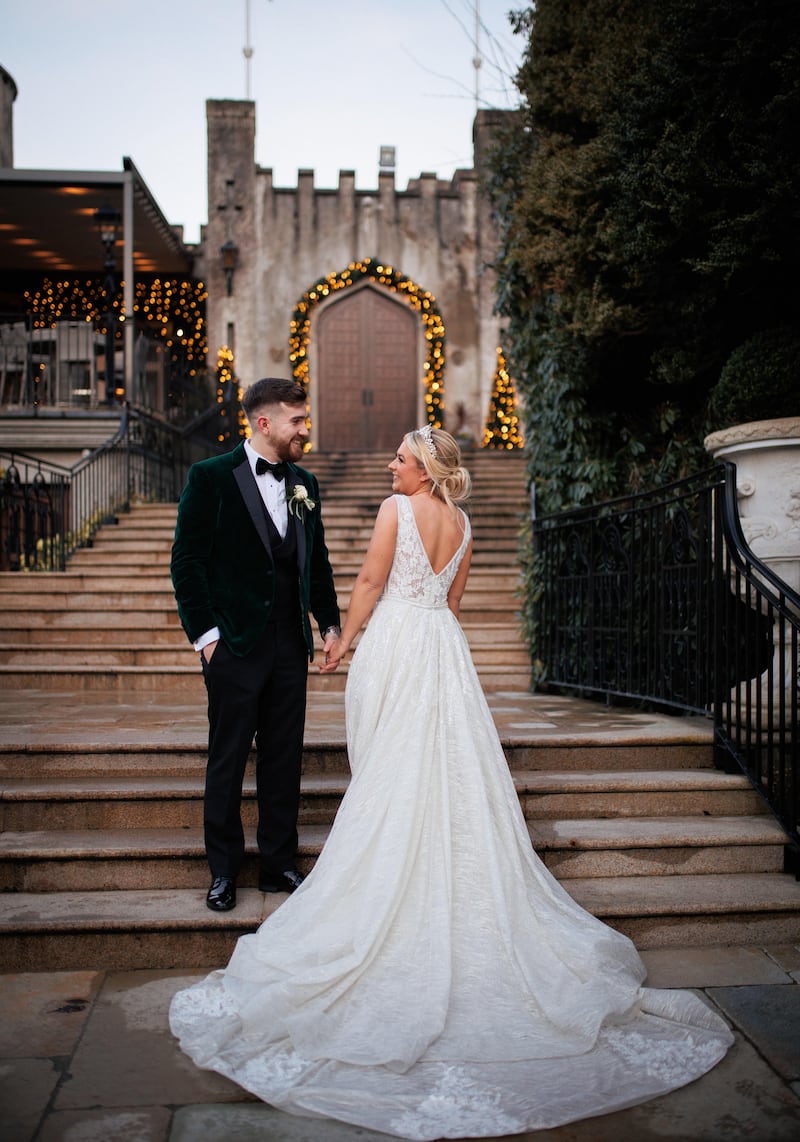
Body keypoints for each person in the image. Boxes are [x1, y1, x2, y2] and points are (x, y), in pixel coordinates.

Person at [170, 426, 733, 1140]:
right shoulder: (462, 524)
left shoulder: (394, 511)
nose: (390, 465)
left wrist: (341, 642)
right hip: (443, 649)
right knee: (445, 769)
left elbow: (371, 582)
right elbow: (455, 604)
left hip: (399, 646)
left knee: (390, 772)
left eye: (400, 459)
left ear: (426, 469)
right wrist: (426, 637)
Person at [170, 377, 340, 913]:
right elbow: (188, 563)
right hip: (234, 647)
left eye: (305, 419)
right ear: (264, 423)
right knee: (227, 760)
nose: (305, 430)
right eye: (297, 421)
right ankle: (223, 871)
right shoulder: (210, 477)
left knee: (284, 759)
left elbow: (317, 562)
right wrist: (208, 638)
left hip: (290, 646)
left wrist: (330, 625)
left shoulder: (305, 482)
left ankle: (277, 863)